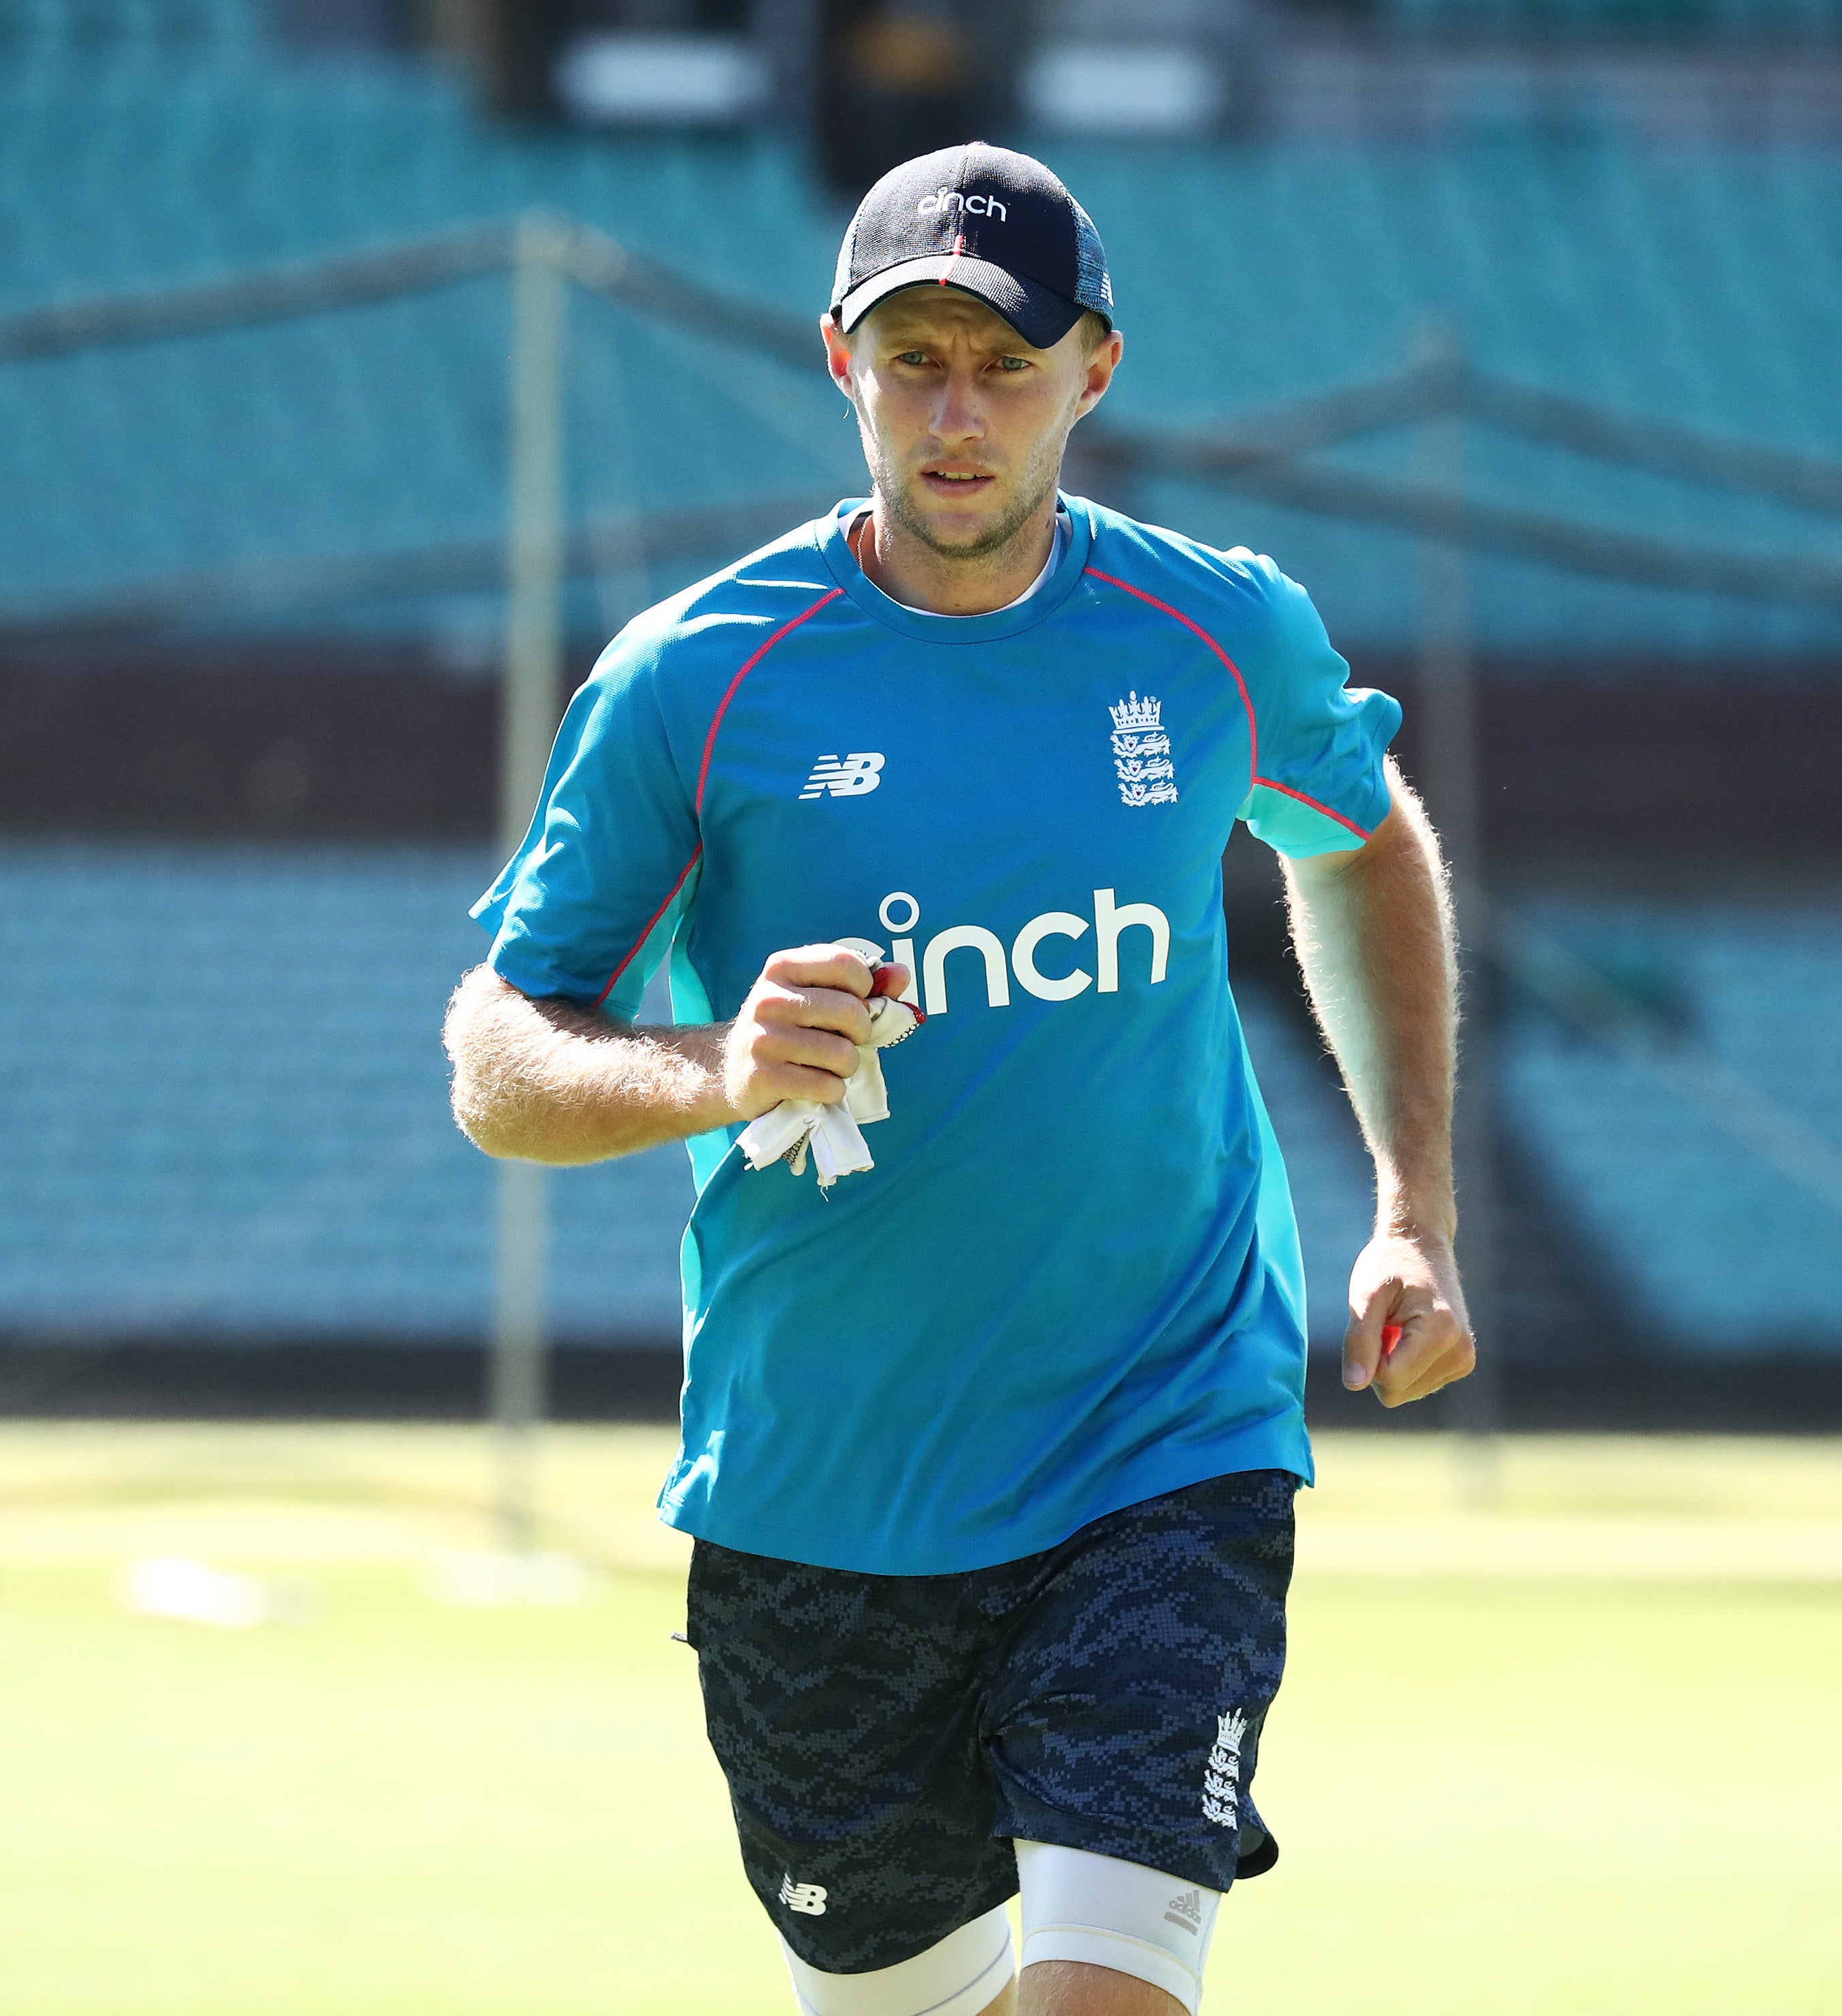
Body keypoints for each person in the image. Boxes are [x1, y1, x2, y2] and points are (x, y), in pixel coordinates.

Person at [441, 143, 1474, 2016]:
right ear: (838, 358)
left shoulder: (1217, 629)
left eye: (1006, 362)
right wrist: (711, 1065)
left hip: (1164, 1441)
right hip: (821, 1495)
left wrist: (1411, 1201)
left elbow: (1357, 833)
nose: (958, 410)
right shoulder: (697, 679)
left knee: (1104, 1989)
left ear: (1096, 368)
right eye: (914, 358)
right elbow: (499, 1059)